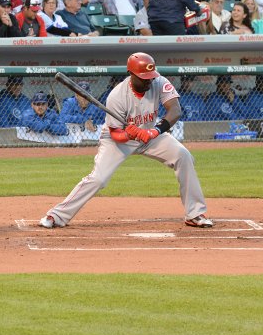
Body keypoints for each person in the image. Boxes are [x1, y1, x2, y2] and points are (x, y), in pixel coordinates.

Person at [39, 53, 213, 229]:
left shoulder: (159, 81)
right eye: (144, 78)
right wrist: (129, 135)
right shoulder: (117, 96)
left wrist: (154, 131)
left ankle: (195, 213)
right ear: (131, 74)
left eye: (150, 77)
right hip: (118, 140)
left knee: (183, 156)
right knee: (99, 179)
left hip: (150, 134)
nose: (149, 82)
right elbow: (116, 134)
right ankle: (57, 215)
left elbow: (175, 110)